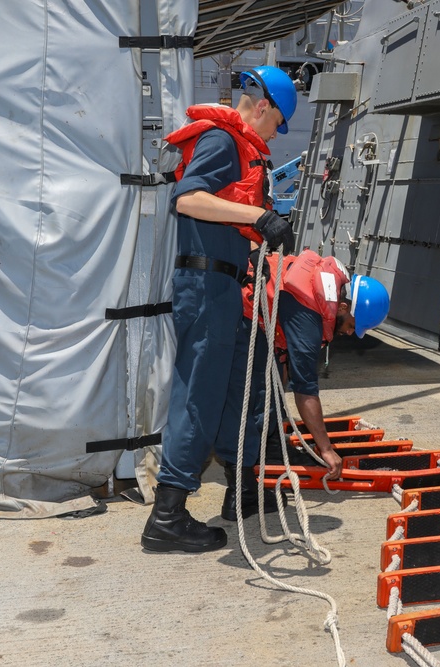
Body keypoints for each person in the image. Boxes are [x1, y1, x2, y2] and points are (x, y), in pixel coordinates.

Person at [141, 66, 298, 554]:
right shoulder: (223, 140)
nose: (274, 137)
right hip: (206, 285)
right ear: (264, 107)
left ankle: (241, 491)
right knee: (200, 394)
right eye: (277, 126)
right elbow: (188, 199)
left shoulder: (242, 149)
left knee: (237, 388)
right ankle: (166, 516)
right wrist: (259, 217)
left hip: (228, 288)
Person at [242, 250, 391, 478]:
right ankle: (247, 470)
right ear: (342, 307)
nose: (350, 332)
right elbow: (305, 390)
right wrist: (327, 449)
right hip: (242, 319)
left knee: (270, 394)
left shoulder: (319, 286)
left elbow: (281, 359)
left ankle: (271, 447)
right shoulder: (308, 318)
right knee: (253, 397)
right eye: (352, 325)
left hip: (254, 314)